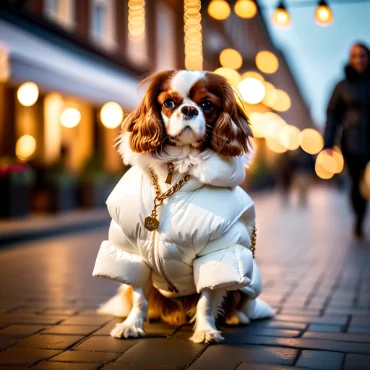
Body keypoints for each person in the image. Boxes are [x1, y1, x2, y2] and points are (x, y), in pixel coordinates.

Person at [324, 42, 370, 240]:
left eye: (363, 56)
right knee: (356, 184)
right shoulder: (342, 86)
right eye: (355, 56)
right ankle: (359, 217)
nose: (359, 59)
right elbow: (333, 116)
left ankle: (361, 215)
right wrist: (328, 144)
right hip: (351, 144)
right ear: (351, 59)